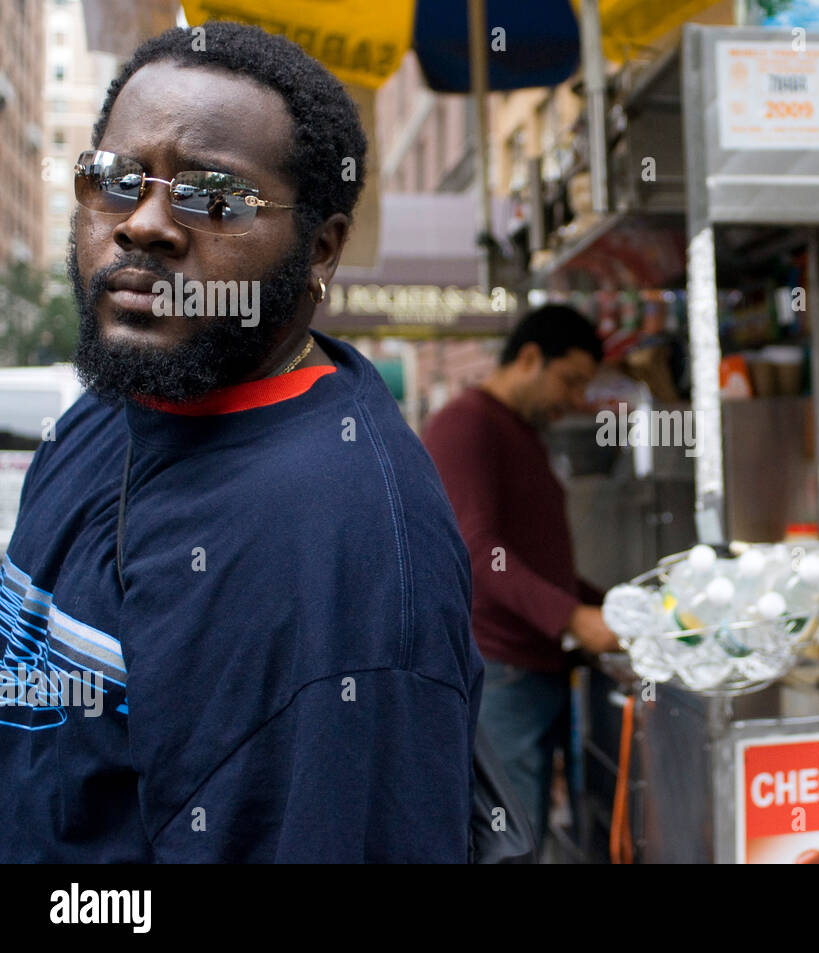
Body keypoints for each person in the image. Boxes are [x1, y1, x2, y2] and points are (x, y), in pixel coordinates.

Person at [0, 23, 481, 862]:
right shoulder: (103, 410)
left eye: (214, 198)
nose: (143, 225)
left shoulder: (341, 547)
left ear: (321, 250)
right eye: (116, 181)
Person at [422, 305, 620, 851]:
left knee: (530, 828)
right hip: (503, 673)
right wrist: (574, 617)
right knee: (509, 842)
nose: (576, 400)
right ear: (530, 358)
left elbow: (530, 556)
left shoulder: (518, 430)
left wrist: (607, 604)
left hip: (536, 670)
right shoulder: (468, 425)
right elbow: (478, 550)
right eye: (571, 380)